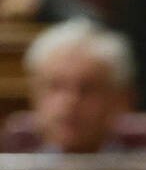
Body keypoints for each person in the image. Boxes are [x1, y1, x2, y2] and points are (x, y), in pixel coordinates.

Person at [21, 17, 134, 153]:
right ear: (34, 95)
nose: (70, 101)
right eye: (55, 86)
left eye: (87, 89)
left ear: (120, 100)